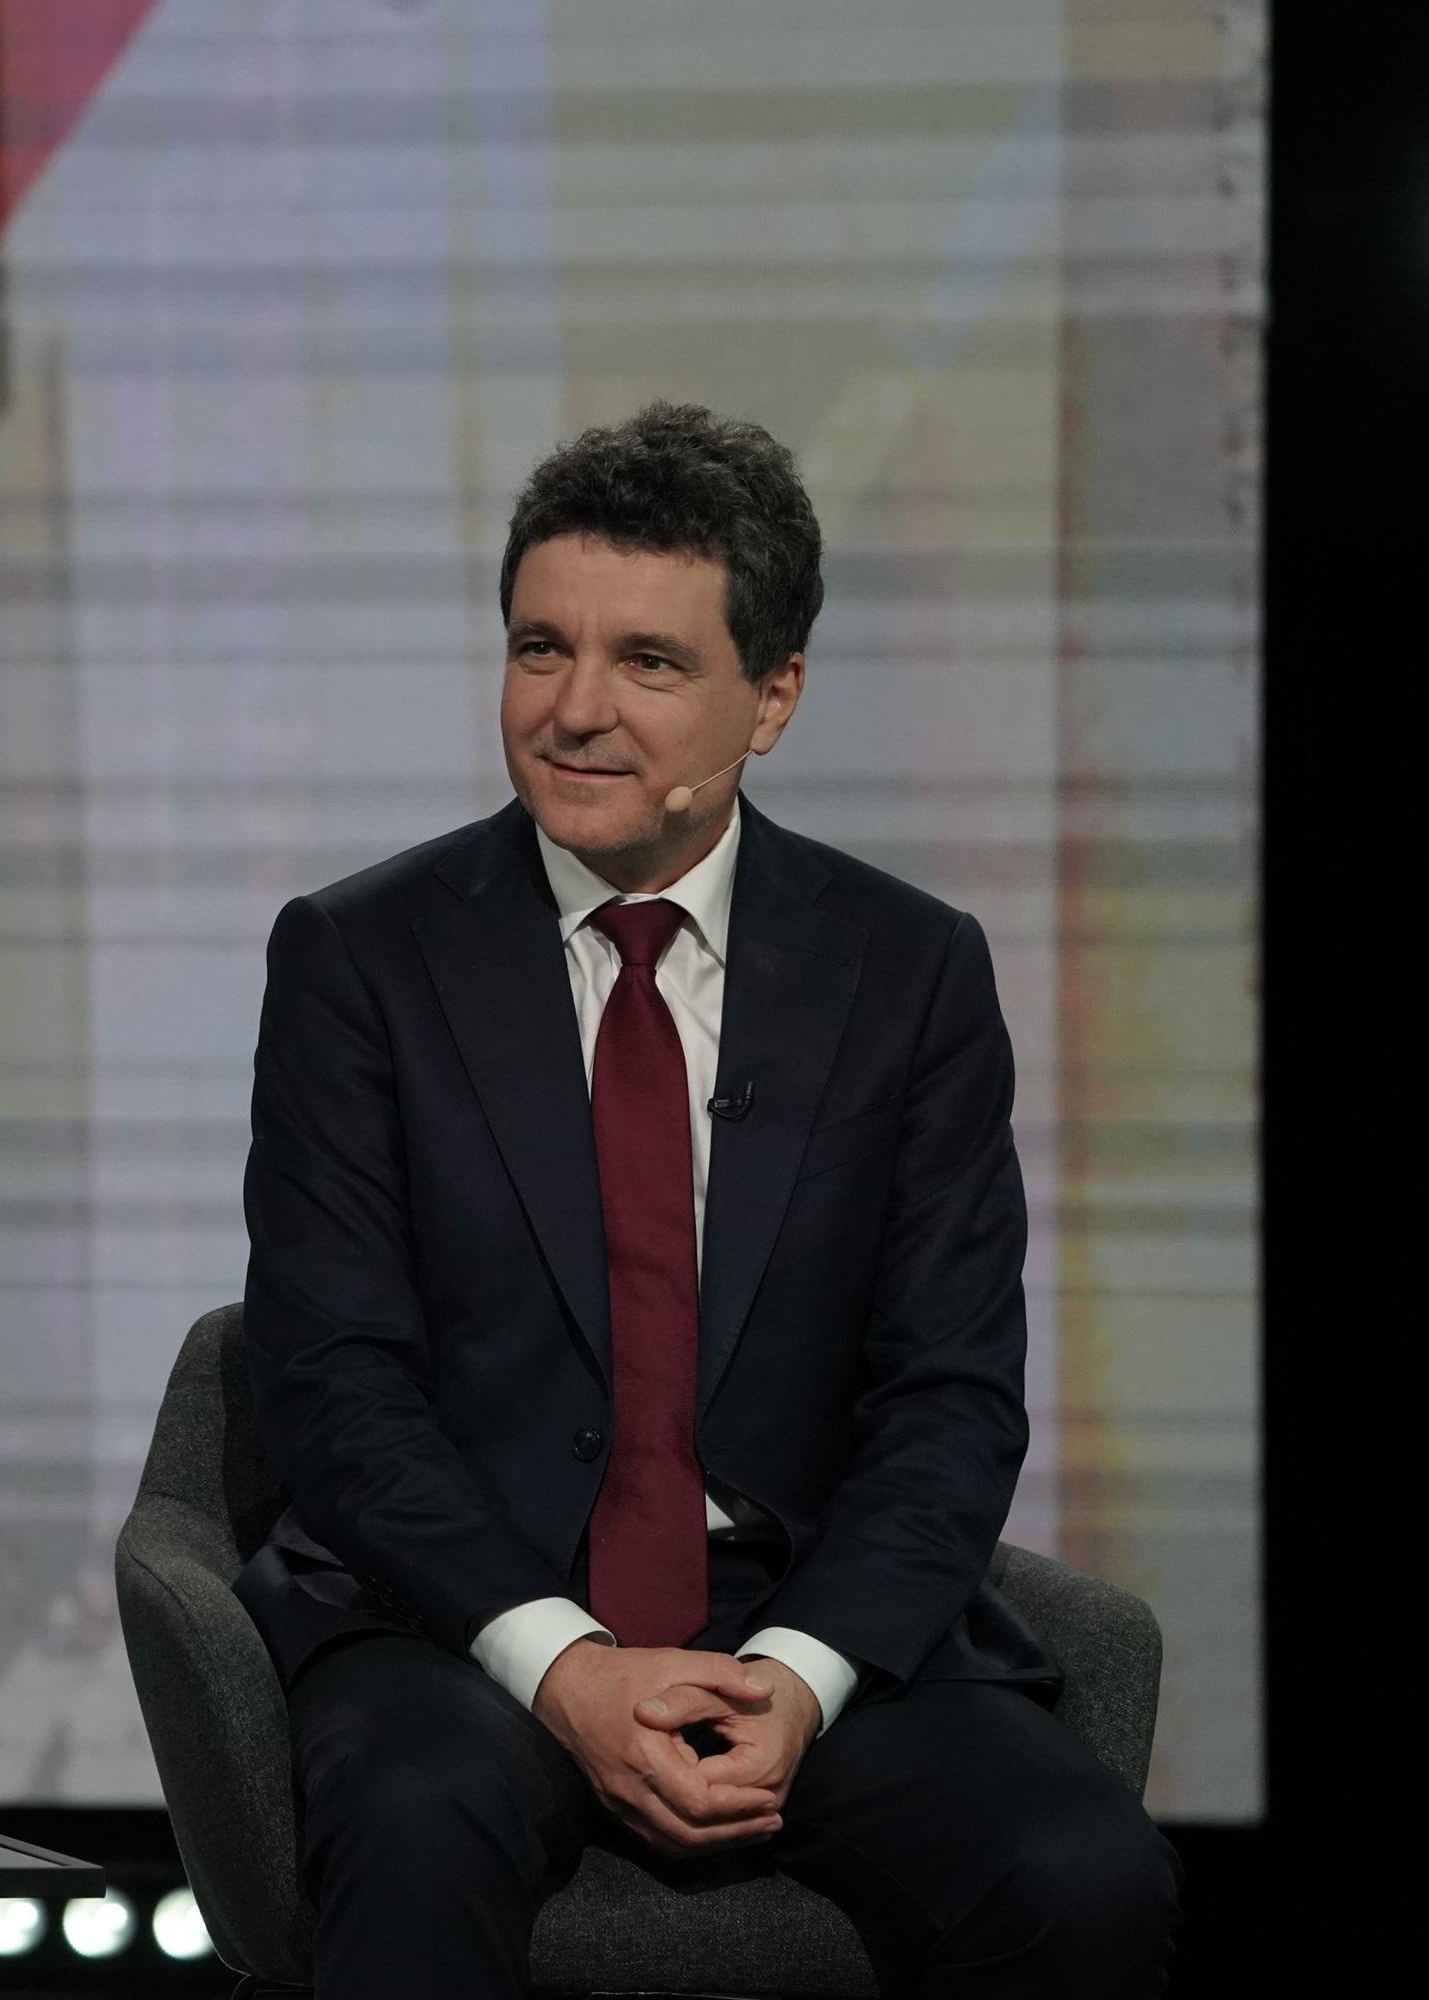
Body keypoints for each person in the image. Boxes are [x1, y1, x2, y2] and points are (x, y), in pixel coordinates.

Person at [233, 403, 1179, 1995]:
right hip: (464, 1620)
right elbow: (335, 1386)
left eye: (650, 663)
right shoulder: (362, 961)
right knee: (410, 1837)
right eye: (541, 649)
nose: (575, 711)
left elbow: (950, 1395)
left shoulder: (908, 972)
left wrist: (799, 1677)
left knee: (1081, 1879)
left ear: (775, 696)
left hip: (797, 1620)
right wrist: (566, 1665)